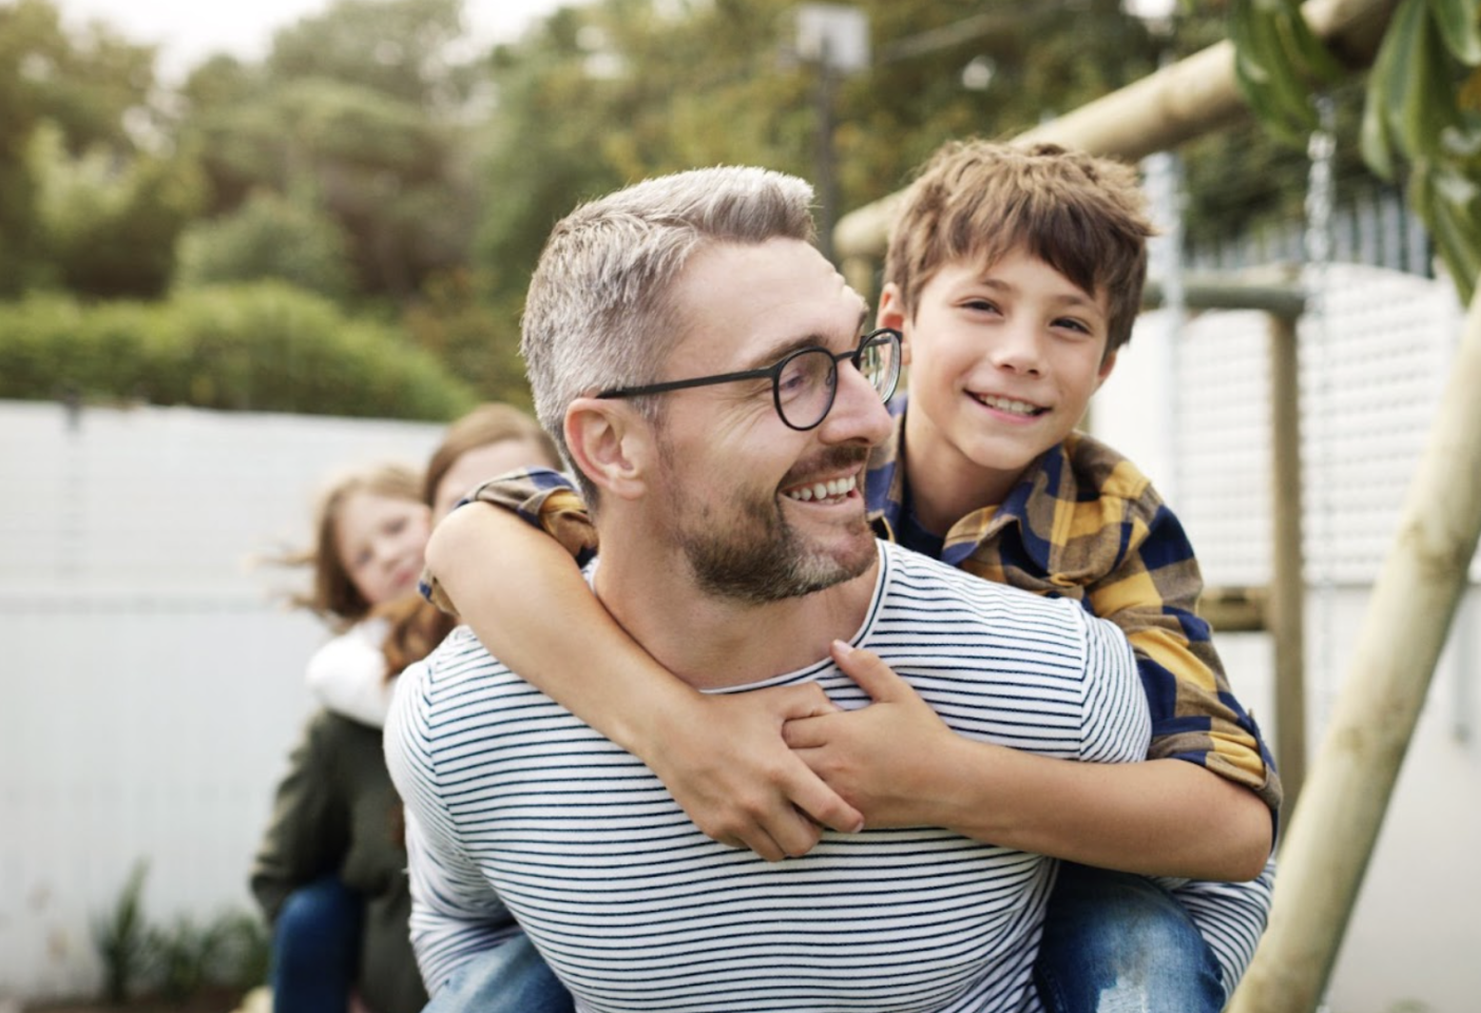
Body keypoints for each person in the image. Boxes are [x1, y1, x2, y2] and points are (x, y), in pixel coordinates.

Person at [421, 142, 1279, 1011]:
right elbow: (477, 537)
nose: (1021, 353)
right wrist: (674, 728)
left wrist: (943, 779)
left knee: (1139, 953)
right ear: (899, 322)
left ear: (1104, 366)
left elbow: (1232, 819)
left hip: (1044, 864)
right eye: (983, 306)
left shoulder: (1111, 519)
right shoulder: (809, 449)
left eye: (1069, 324)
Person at [250, 406, 563, 1013]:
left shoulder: (592, 644)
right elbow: (281, 877)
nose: (389, 556)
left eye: (395, 529)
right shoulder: (351, 704)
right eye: (362, 558)